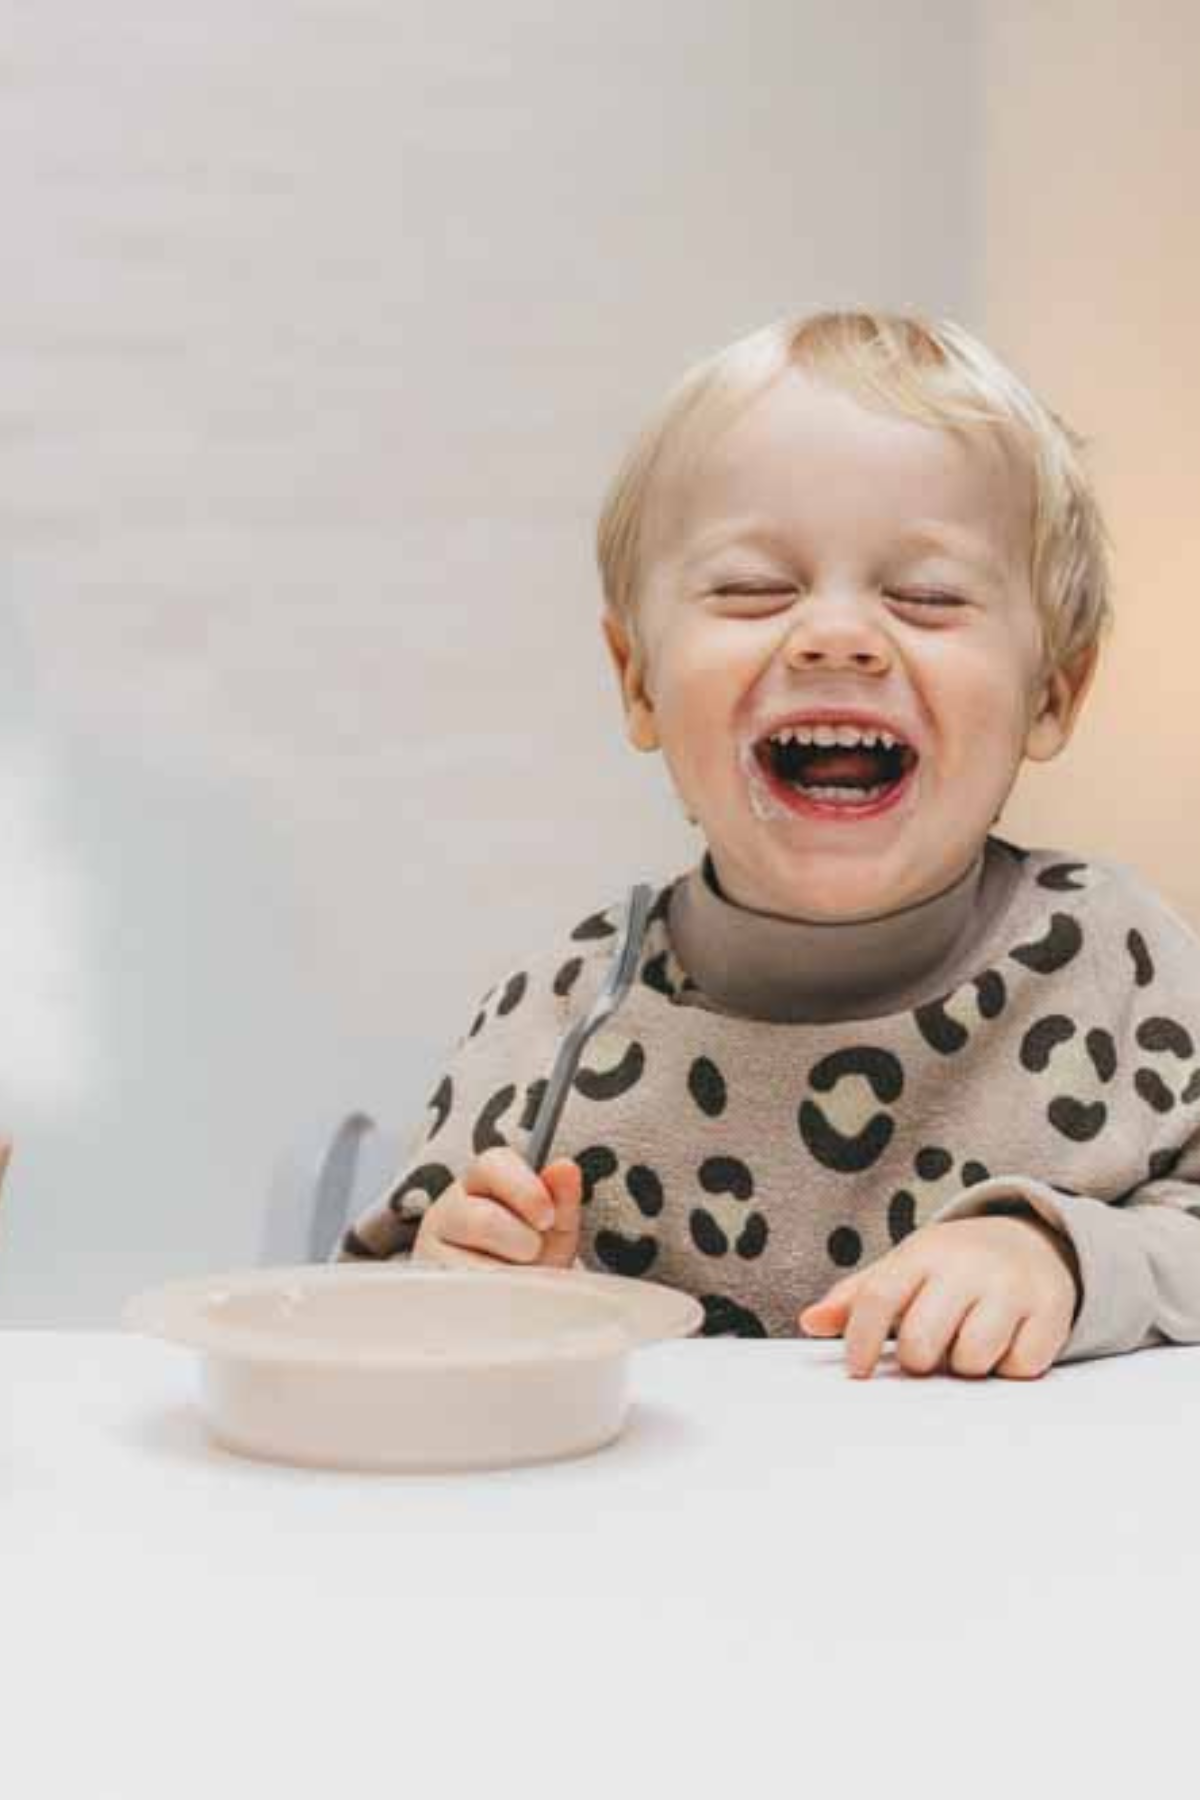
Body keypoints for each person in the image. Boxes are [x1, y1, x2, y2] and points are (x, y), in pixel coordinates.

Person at [340, 308, 1200, 1381]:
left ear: (1054, 692)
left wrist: (1067, 1257)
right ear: (638, 679)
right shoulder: (563, 1014)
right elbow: (376, 1311)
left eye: (926, 596)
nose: (835, 634)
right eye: (754, 590)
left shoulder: (1122, 965)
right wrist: (468, 1291)